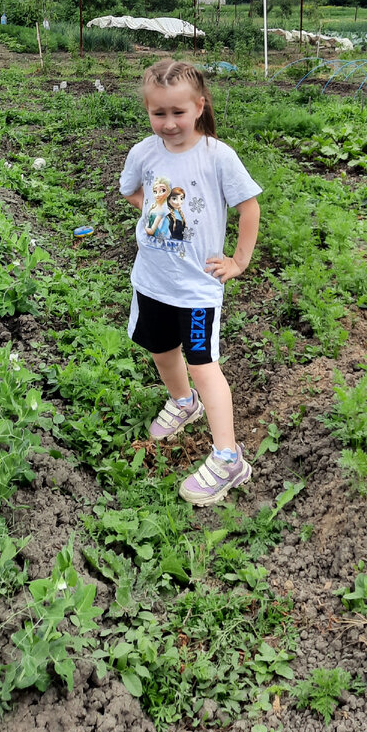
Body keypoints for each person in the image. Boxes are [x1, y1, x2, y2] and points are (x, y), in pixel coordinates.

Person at [119, 58, 261, 506]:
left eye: (178, 112)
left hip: (197, 288)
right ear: (148, 111)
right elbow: (130, 191)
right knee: (161, 350)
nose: (168, 123)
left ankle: (228, 457)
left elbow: (248, 208)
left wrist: (238, 261)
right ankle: (184, 403)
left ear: (199, 107)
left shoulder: (218, 156)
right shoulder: (144, 153)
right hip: (152, 280)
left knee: (203, 365)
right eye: (158, 113)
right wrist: (153, 216)